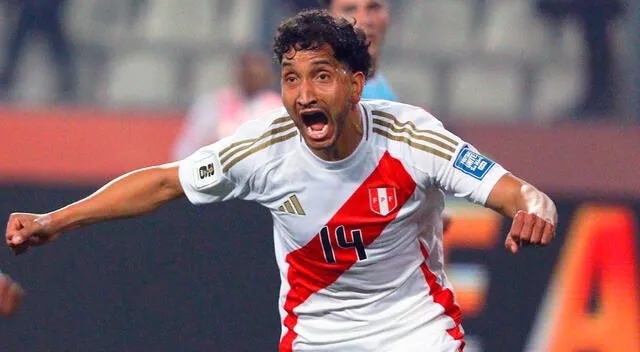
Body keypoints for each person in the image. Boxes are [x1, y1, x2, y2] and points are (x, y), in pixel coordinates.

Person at [5, 10, 557, 351]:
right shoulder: (266, 147)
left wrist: (534, 211)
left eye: (321, 76)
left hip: (414, 334)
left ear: (357, 84)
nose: (304, 95)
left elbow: (518, 192)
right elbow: (165, 183)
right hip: (315, 339)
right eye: (292, 79)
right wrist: (56, 220)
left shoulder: (412, 137)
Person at [171, 49, 282, 160]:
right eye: (248, 73)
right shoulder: (213, 104)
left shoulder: (278, 108)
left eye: (257, 73)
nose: (252, 77)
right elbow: (187, 147)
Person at [319, 0, 398, 101]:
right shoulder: (326, 96)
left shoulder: (381, 87)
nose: (366, 20)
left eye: (374, 7)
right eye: (350, 9)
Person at [0, 0, 77, 102]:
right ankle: (5, 83)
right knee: (15, 48)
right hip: (29, 11)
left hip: (48, 12)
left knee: (59, 50)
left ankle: (68, 85)